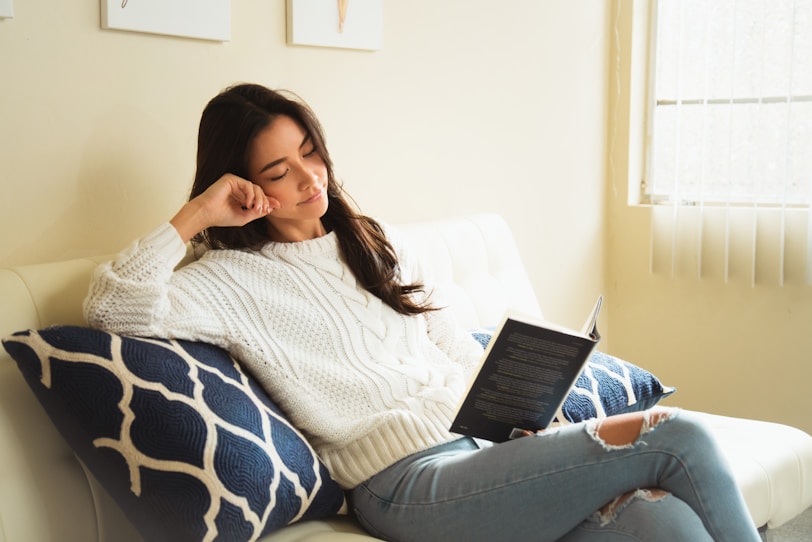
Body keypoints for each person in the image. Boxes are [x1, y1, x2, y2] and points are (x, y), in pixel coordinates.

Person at [84, 83, 762, 542]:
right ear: (240, 185)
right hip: (408, 484)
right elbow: (112, 306)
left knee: (662, 525)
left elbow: (455, 349)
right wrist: (196, 213)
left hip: (484, 452)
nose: (310, 178)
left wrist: (518, 421)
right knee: (677, 437)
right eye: (279, 171)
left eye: (310, 153)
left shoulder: (375, 242)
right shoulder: (226, 280)